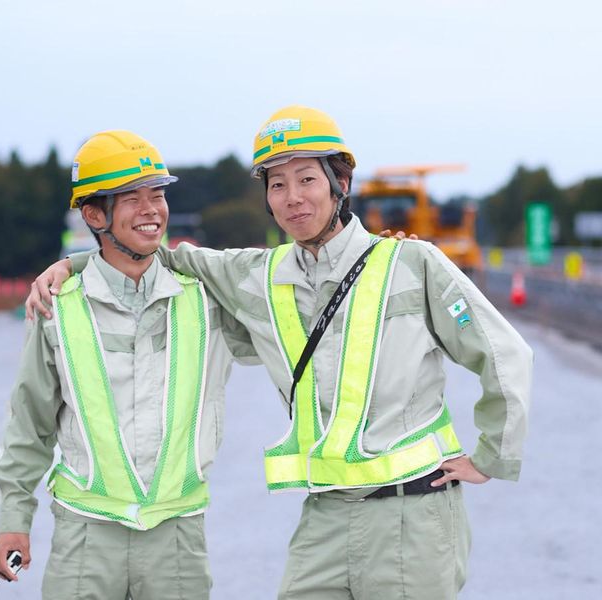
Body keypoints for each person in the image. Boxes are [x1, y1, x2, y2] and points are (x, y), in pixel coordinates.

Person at [27, 106, 533, 599]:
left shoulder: (413, 262)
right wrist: (73, 266)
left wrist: (492, 455)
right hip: (324, 517)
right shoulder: (258, 277)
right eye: (277, 184)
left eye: (307, 179)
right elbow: (152, 249)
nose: (293, 197)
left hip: (413, 512)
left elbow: (503, 354)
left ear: (341, 183)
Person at [0, 130, 258, 599]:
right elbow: (29, 423)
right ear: (94, 214)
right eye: (131, 199)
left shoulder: (204, 297)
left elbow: (296, 304)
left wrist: (385, 256)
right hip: (86, 538)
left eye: (157, 195)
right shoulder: (58, 307)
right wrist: (14, 520)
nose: (151, 209)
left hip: (177, 536)